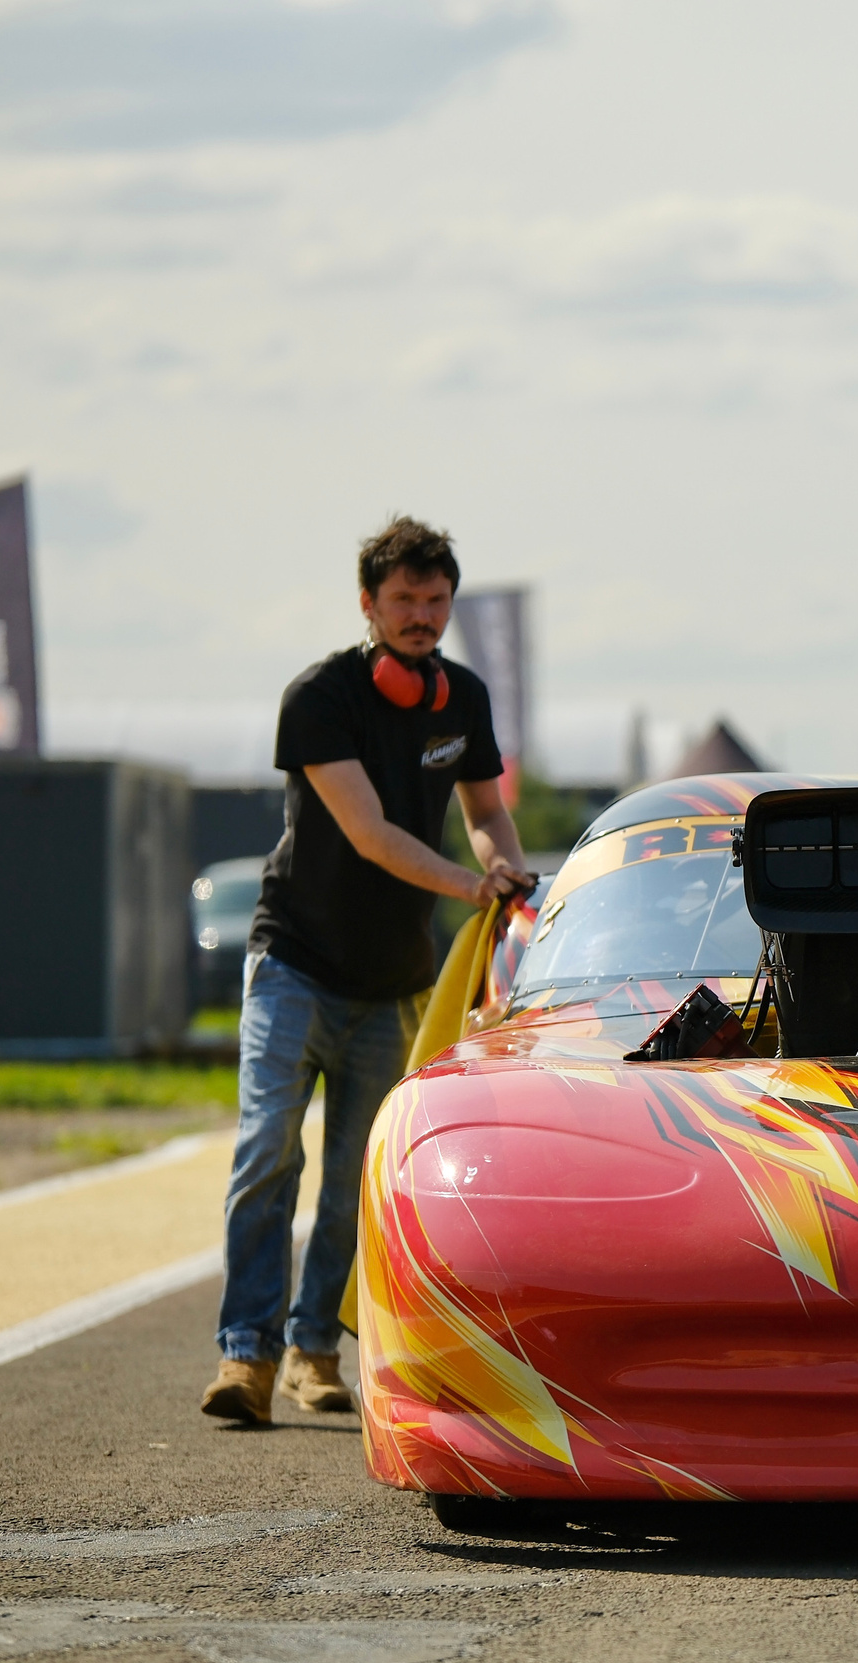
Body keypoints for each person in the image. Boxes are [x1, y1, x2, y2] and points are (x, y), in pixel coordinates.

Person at [201, 517, 529, 1425]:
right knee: (268, 1149)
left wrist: (505, 870)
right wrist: (470, 882)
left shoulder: (462, 696)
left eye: (436, 601)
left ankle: (314, 1350)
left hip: (391, 980)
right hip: (293, 963)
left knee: (355, 1178)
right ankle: (245, 1358)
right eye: (405, 600)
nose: (423, 616)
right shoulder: (320, 696)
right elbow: (371, 833)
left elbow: (487, 813)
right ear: (367, 605)